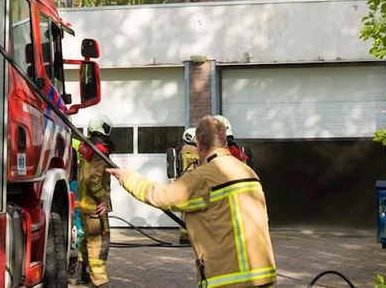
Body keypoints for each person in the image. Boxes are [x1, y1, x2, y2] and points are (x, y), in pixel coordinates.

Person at [108, 115, 276, 288]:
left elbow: (161, 196)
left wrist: (127, 177)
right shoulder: (248, 172)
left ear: (199, 145)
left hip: (230, 279)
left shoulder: (203, 177)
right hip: (263, 274)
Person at [76, 114, 115, 287]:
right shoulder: (99, 151)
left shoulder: (87, 147)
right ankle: (99, 282)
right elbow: (93, 179)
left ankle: (81, 273)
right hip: (95, 207)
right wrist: (103, 199)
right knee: (99, 245)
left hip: (86, 204)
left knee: (88, 240)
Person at [175, 127, 200, 244]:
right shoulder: (190, 149)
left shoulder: (182, 149)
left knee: (185, 209)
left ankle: (185, 234)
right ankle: (188, 235)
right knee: (191, 209)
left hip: (184, 181)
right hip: (190, 181)